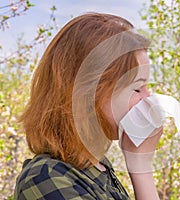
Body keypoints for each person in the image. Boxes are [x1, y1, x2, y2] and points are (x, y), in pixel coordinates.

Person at [14, 12, 162, 200]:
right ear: (89, 94)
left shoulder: (97, 168)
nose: (149, 99)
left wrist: (139, 163)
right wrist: (141, 171)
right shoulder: (46, 178)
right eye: (137, 89)